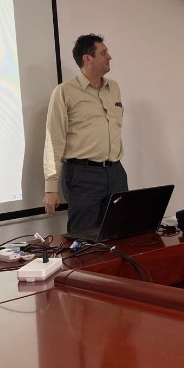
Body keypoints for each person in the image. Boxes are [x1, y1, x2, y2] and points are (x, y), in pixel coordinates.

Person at [43, 34, 127, 232]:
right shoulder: (64, 92)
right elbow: (53, 141)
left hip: (116, 172)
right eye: (103, 53)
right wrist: (51, 188)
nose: (109, 57)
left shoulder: (113, 88)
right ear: (87, 58)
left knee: (120, 232)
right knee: (84, 237)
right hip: (83, 175)